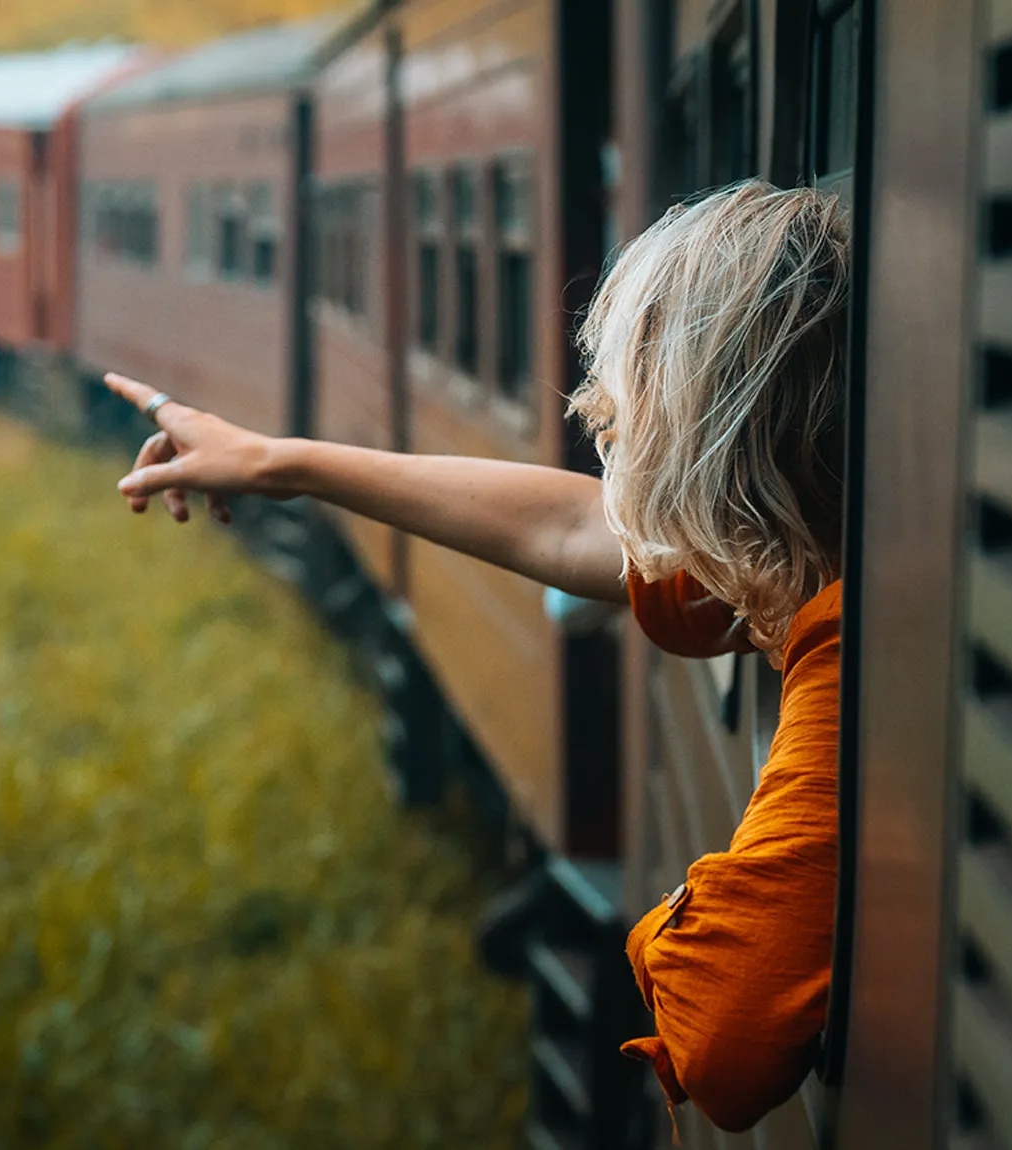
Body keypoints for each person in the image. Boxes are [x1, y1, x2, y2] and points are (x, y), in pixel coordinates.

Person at [101, 179, 849, 1134]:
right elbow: (583, 529)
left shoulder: (838, 657)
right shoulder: (810, 551)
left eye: (631, 425)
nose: (608, 448)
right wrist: (279, 463)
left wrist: (665, 923)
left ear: (723, 445)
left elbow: (726, 1047)